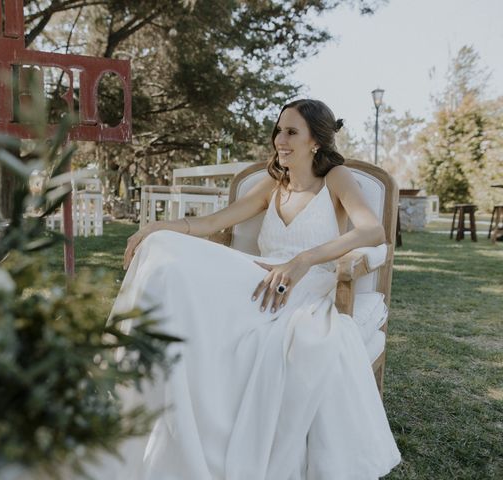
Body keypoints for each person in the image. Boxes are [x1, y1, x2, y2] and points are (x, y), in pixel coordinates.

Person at [90, 99, 401, 480]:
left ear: (315, 141)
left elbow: (373, 232)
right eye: (278, 130)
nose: (279, 140)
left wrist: (304, 259)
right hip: (255, 276)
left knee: (261, 336)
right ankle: (136, 390)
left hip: (307, 285)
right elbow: (216, 222)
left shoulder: (336, 178)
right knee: (160, 249)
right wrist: (158, 228)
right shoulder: (274, 182)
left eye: (291, 132)